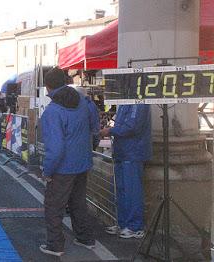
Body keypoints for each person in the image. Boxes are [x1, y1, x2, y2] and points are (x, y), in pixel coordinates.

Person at [39, 67, 99, 257]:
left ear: (47, 87)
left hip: (62, 167)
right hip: (82, 161)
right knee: (78, 202)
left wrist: (47, 171)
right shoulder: (83, 101)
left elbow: (55, 148)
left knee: (54, 206)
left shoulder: (53, 111)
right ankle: (85, 238)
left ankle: (55, 245)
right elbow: (95, 125)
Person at [100, 104, 151, 238]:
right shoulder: (123, 103)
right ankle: (123, 223)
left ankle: (135, 226)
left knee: (132, 190)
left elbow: (132, 127)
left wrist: (110, 131)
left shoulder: (138, 103)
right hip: (122, 151)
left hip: (133, 152)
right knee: (122, 190)